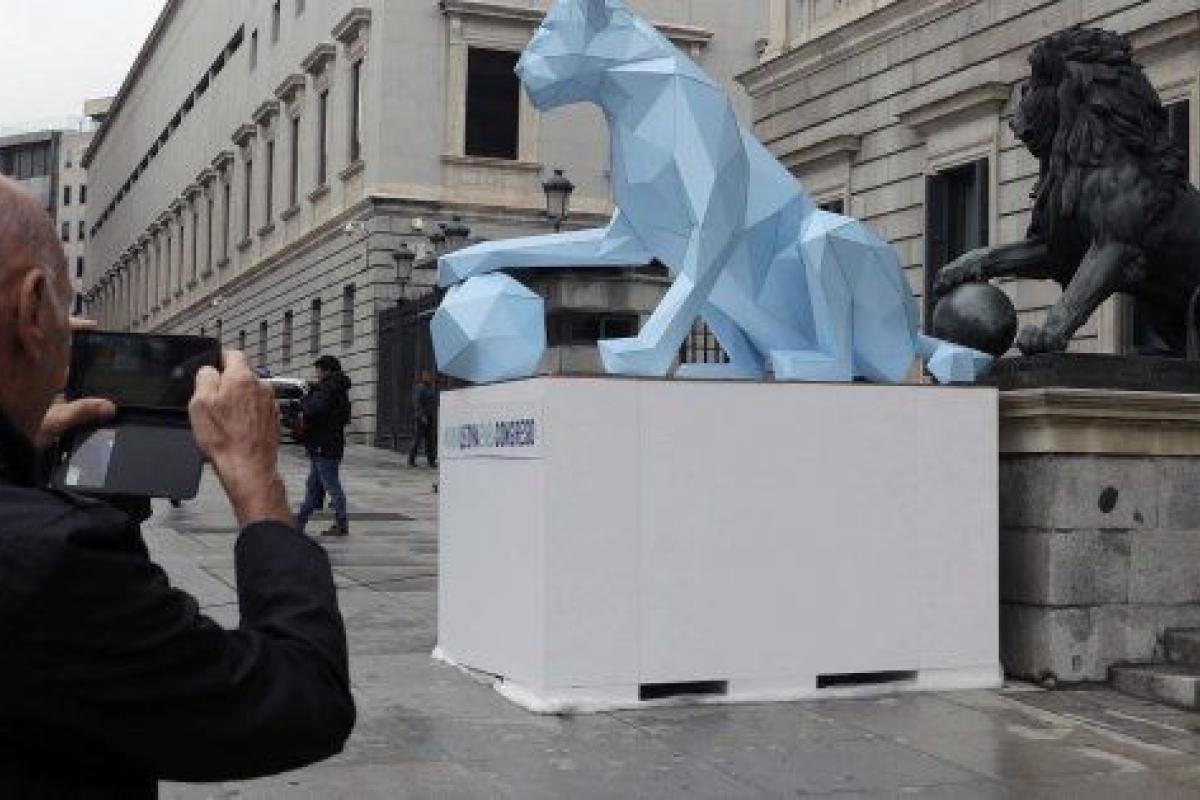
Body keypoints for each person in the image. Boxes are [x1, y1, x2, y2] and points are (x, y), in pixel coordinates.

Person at [0, 176, 354, 795]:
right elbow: (300, 697)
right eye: (62, 304)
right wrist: (256, 480)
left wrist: (21, 443)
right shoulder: (51, 558)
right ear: (32, 309)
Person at [296, 355, 352, 537]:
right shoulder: (338, 389)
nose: (317, 374)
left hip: (324, 444)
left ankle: (340, 523)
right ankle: (299, 523)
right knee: (315, 485)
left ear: (327, 370)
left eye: (319, 370)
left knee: (330, 485)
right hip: (328, 443)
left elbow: (315, 409)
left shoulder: (329, 388)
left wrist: (305, 400)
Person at [409, 370, 439, 468]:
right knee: (417, 440)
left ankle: (431, 461)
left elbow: (432, 402)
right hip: (421, 418)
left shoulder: (429, 388)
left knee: (430, 440)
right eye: (426, 376)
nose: (428, 378)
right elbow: (417, 402)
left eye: (429, 376)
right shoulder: (420, 387)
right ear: (423, 377)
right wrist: (422, 416)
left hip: (429, 417)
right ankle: (411, 460)